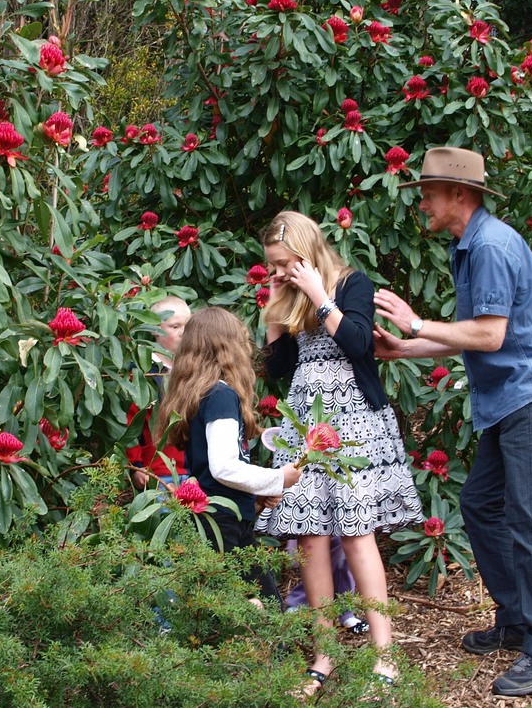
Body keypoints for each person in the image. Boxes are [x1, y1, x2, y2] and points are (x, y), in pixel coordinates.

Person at [373, 146, 532, 698]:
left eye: (429, 193)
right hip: (514, 398)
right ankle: (517, 620)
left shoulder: (487, 246)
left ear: (458, 195)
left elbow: (489, 336)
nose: (422, 203)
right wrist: (402, 349)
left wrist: (415, 323)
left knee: (527, 515)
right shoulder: (470, 246)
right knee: (481, 503)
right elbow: (472, 335)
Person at [258, 211, 422, 692]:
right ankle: (324, 654)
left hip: (353, 420)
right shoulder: (288, 295)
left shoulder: (352, 284)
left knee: (356, 535)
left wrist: (317, 294)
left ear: (307, 253)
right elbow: (278, 369)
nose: (278, 273)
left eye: (284, 264)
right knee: (309, 537)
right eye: (272, 266)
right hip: (306, 421)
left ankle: (384, 658)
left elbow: (356, 343)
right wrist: (274, 307)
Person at [157, 306, 302, 604]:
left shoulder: (202, 393)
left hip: (218, 516)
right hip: (222, 521)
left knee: (243, 606)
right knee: (249, 611)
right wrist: (278, 479)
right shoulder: (221, 395)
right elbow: (223, 468)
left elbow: (213, 469)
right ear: (228, 347)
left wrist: (256, 494)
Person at [127, 297, 192, 491]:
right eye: (175, 327)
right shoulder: (142, 373)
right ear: (155, 331)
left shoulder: (195, 369)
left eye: (188, 325)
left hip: (195, 470)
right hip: (158, 471)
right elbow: (131, 424)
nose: (183, 332)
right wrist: (136, 465)